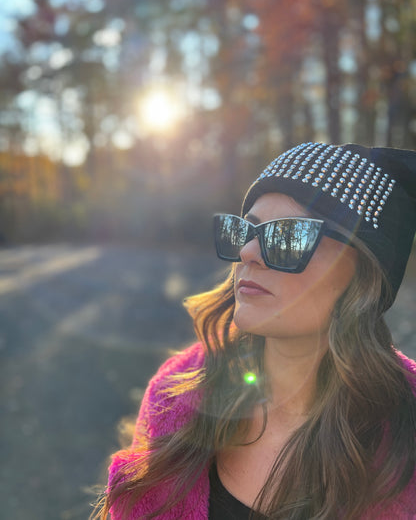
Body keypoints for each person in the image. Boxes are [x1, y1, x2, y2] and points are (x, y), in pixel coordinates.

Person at [93, 142, 416, 519]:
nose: (247, 252)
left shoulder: (404, 436)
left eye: (287, 236)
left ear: (364, 273)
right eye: (244, 230)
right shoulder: (176, 391)